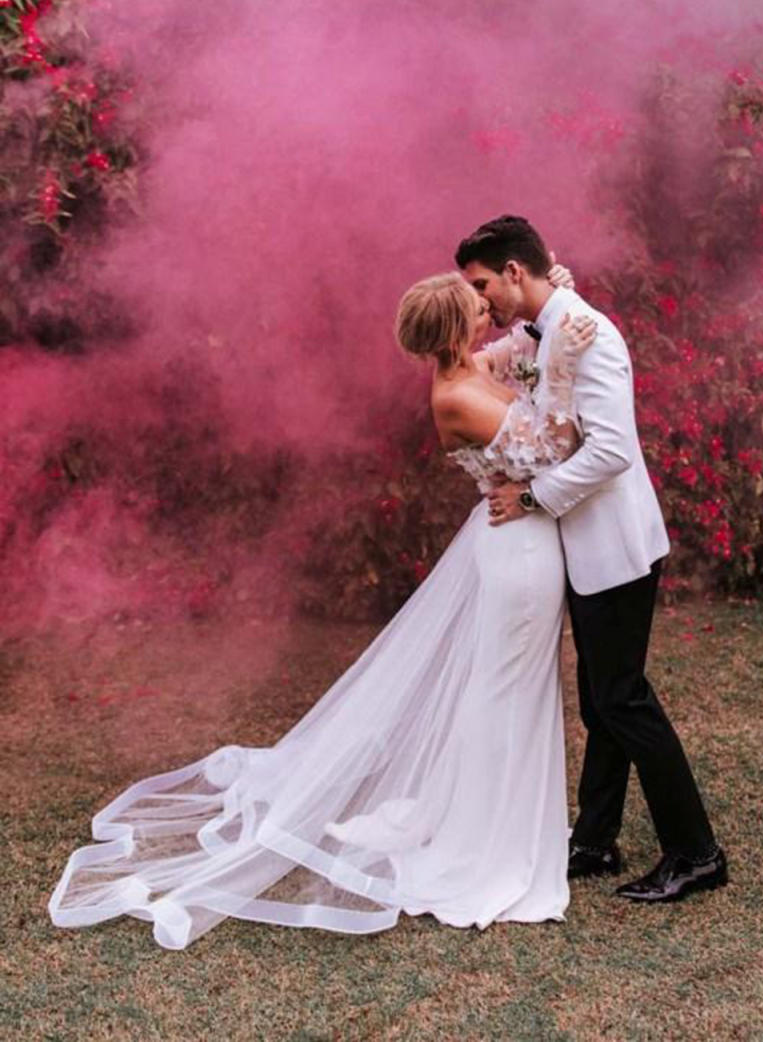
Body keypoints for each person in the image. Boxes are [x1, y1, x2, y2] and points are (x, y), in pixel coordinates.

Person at [48, 264, 594, 948]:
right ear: (456, 330)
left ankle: (496, 817)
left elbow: (517, 354)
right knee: (501, 691)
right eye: (476, 307)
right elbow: (554, 446)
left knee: (504, 688)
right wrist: (569, 364)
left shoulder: (473, 365)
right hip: (517, 552)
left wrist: (548, 309)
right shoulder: (455, 395)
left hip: (519, 541)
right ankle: (484, 839)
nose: (488, 312)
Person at [456, 215, 726, 903]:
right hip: (584, 549)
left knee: (622, 700)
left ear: (515, 271)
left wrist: (532, 499)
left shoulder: (591, 334)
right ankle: (594, 841)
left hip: (615, 549)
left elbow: (610, 451)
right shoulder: (545, 332)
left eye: (484, 284)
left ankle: (696, 853)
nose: (482, 302)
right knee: (602, 707)